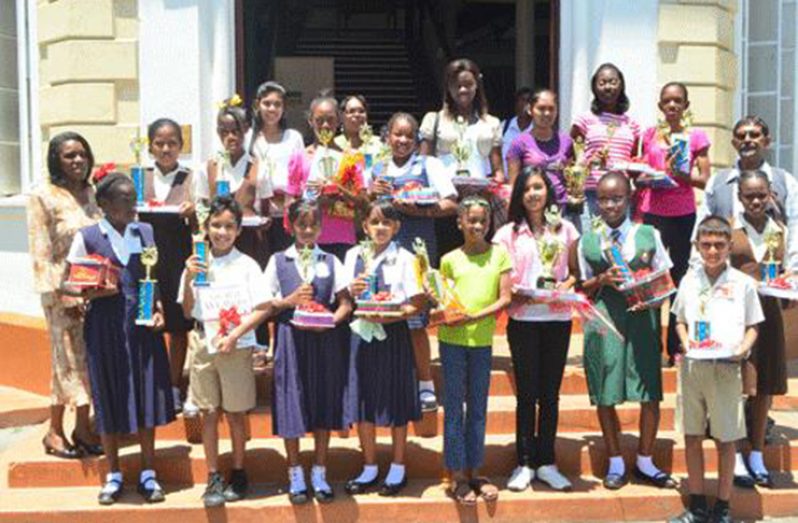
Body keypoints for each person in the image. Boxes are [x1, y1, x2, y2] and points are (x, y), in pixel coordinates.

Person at [66, 171, 175, 505]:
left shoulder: (145, 232)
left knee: (146, 394)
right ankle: (113, 473)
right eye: (124, 200)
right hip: (105, 329)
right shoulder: (87, 237)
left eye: (133, 199)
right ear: (103, 204)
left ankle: (147, 471)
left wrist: (158, 310)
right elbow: (71, 286)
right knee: (109, 394)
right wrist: (97, 292)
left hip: (142, 327)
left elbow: (151, 278)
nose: (132, 206)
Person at [575, 172, 675, 490]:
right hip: (605, 319)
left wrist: (653, 298)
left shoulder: (649, 234)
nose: (610, 205)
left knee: (648, 388)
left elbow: (666, 280)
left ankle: (645, 460)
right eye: (603, 199)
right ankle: (615, 461)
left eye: (616, 198)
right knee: (605, 389)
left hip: (643, 318)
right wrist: (601, 281)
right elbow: (580, 288)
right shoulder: (588, 240)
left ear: (629, 197)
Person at [668, 215, 763, 523]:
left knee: (726, 439)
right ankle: (696, 505)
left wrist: (742, 349)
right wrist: (685, 342)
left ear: (729, 246)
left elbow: (753, 326)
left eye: (719, 245)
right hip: (694, 368)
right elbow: (679, 320)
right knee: (693, 435)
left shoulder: (743, 284)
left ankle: (722, 507)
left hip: (726, 368)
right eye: (706, 245)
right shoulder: (688, 280)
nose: (712, 251)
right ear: (697, 245)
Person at [177, 196, 270, 507]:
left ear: (239, 230)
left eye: (229, 226)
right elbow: (189, 311)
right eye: (216, 225)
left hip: (235, 346)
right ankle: (214, 474)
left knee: (235, 413)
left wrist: (236, 335)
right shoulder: (196, 264)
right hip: (203, 343)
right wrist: (190, 276)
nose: (222, 232)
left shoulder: (247, 266)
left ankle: (239, 471)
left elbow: (263, 308)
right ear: (206, 228)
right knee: (207, 412)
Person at [493, 167, 578, 492]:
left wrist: (563, 286)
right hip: (524, 320)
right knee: (527, 395)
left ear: (548, 191)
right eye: (527, 188)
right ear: (519, 195)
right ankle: (525, 462)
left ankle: (547, 462)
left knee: (550, 395)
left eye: (538, 187)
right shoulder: (507, 234)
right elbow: (504, 280)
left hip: (557, 319)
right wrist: (519, 290)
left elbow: (573, 273)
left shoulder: (565, 229)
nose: (533, 193)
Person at [262, 199, 353, 504]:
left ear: (321, 227)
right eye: (301, 224)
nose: (308, 230)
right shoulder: (278, 261)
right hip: (290, 339)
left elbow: (345, 303)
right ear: (290, 225)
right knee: (292, 401)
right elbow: (266, 304)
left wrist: (329, 320)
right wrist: (288, 301)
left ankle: (320, 471)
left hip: (323, 340)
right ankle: (295, 473)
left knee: (323, 401)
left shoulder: (330, 260)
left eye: (314, 224)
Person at [369, 112, 458, 411]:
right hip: (382, 251)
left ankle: (425, 385)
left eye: (409, 135)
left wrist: (420, 210)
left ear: (417, 139)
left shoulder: (428, 165)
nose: (403, 140)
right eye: (398, 134)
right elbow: (367, 214)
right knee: (385, 313)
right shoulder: (377, 169)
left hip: (416, 249)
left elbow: (450, 203)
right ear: (388, 137)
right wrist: (371, 196)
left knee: (415, 320)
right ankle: (390, 382)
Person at [27, 132, 103, 459]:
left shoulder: (93, 192)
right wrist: (64, 291)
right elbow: (40, 252)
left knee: (88, 361)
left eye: (82, 154)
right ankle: (55, 431)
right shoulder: (43, 196)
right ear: (56, 159)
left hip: (94, 291)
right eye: (69, 155)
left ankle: (83, 429)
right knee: (66, 361)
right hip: (61, 294)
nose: (77, 161)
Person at [343, 201, 425, 497]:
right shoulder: (353, 255)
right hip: (361, 335)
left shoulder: (405, 258)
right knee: (363, 398)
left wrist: (391, 314)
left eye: (386, 223)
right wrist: (350, 293)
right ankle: (369, 466)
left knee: (395, 398)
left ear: (396, 228)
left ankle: (398, 466)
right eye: (374, 222)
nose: (380, 228)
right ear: (364, 226)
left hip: (393, 336)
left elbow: (416, 301)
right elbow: (343, 297)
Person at [437, 196, 512, 505]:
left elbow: (504, 298)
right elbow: (445, 301)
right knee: (455, 408)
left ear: (489, 223)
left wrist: (476, 317)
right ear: (460, 223)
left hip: (481, 342)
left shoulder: (500, 256)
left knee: (478, 409)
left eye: (483, 220)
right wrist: (440, 304)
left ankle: (476, 471)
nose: (477, 226)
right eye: (471, 220)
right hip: (452, 341)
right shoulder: (449, 259)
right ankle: (456, 476)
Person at [639, 82, 711, 363]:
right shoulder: (649, 135)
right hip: (652, 212)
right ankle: (651, 344)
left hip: (682, 214)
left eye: (677, 101)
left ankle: (676, 346)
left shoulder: (695, 137)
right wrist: (647, 177)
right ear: (660, 105)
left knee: (680, 278)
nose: (672, 106)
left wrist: (681, 176)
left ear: (685, 105)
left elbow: (705, 180)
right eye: (667, 101)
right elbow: (641, 172)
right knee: (651, 277)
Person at [197, 98, 273, 356]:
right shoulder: (207, 168)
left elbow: (266, 206)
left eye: (236, 130)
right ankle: (216, 339)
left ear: (246, 131)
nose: (231, 136)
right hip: (217, 245)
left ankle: (253, 347)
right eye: (224, 131)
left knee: (250, 295)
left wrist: (262, 219)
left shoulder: (258, 168)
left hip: (250, 243)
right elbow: (201, 209)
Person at [727, 171, 788, 490]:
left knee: (764, 386)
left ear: (770, 196)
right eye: (749, 195)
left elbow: (788, 270)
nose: (755, 200)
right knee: (740, 388)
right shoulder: (730, 231)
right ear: (739, 197)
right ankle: (738, 454)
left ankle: (757, 455)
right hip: (738, 319)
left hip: (770, 316)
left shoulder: (780, 230)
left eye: (761, 195)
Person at [139, 118, 196, 413]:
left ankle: (174, 386)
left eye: (172, 143)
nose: (165, 148)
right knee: (148, 321)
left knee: (177, 326)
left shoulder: (189, 178)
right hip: (146, 265)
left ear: (180, 146)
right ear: (150, 146)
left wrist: (193, 212)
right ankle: (152, 386)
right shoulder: (140, 177)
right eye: (159, 143)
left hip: (176, 262)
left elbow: (202, 225)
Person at [419, 58, 504, 256]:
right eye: (457, 85)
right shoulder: (434, 120)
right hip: (445, 204)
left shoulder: (491, 123)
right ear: (448, 87)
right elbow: (423, 163)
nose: (463, 90)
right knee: (444, 258)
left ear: (477, 86)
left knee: (477, 260)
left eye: (468, 85)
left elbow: (498, 169)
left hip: (478, 206)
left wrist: (492, 188)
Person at [694, 115, 798, 272]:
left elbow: (795, 226)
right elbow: (701, 228)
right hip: (725, 279)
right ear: (734, 143)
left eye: (755, 135)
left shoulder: (784, 181)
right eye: (741, 136)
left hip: (774, 277)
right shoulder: (717, 183)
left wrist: (793, 271)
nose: (747, 140)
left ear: (767, 141)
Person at [286, 93, 367, 261]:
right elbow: (290, 202)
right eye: (319, 120)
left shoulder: (351, 159)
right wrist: (310, 201)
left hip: (342, 236)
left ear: (338, 121)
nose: (325, 125)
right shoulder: (300, 157)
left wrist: (338, 191)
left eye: (330, 120)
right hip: (308, 237)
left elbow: (363, 202)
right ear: (310, 121)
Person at [570, 63, 641, 219]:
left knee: (618, 241)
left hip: (620, 196)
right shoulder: (583, 120)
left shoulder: (632, 124)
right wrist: (587, 162)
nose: (607, 87)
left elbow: (633, 160)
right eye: (602, 83)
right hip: (592, 193)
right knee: (592, 242)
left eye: (613, 82)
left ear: (621, 85)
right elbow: (573, 156)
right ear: (594, 88)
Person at [248, 81, 306, 252]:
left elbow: (300, 175)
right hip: (257, 216)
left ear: (284, 108)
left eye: (277, 104)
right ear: (257, 105)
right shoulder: (249, 139)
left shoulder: (293, 137)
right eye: (267, 103)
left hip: (286, 216)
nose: (272, 109)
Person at [505, 89, 575, 223]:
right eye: (541, 109)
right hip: (531, 213)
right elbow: (513, 185)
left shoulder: (566, 142)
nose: (547, 113)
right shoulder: (519, 143)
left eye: (551, 109)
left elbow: (571, 179)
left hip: (562, 211)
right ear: (530, 110)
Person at [500, 86, 533, 174]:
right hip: (506, 182)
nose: (525, 104)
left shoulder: (537, 129)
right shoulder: (504, 126)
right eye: (522, 100)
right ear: (516, 103)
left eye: (529, 101)